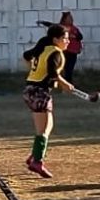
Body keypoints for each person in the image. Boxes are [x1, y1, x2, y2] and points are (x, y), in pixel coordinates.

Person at [22, 24, 75, 178]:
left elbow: (26, 56)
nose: (67, 41)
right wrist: (66, 84)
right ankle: (37, 162)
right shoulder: (56, 53)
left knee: (48, 126)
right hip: (39, 92)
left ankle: (35, 155)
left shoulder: (43, 49)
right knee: (43, 130)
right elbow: (52, 74)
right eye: (64, 38)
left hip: (30, 89)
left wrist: (33, 70)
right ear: (55, 39)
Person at [38, 12, 83, 84]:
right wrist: (43, 22)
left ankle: (68, 83)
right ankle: (65, 84)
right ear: (64, 19)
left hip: (73, 51)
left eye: (71, 18)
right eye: (68, 18)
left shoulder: (74, 28)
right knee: (65, 68)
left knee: (70, 69)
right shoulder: (61, 28)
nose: (70, 20)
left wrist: (74, 36)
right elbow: (51, 25)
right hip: (66, 51)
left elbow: (80, 37)